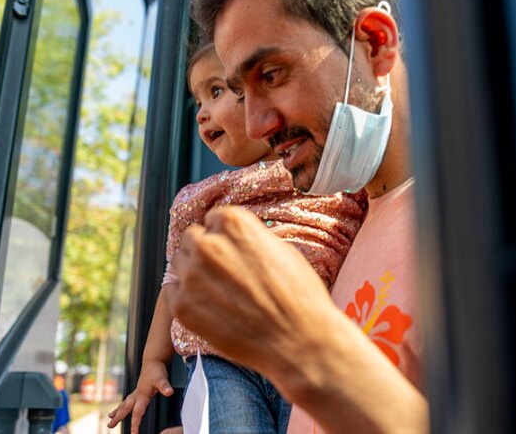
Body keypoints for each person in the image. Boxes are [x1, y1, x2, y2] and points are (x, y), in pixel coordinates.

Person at [166, 0, 429, 433]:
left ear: (374, 44)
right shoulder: (349, 229)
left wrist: (304, 348)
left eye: (272, 74)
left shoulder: (483, 222)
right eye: (241, 93)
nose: (257, 124)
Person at [106, 44, 367, 433]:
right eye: (197, 100)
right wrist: (152, 361)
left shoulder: (325, 173)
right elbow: (174, 280)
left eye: (215, 91)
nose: (201, 113)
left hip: (309, 347)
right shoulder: (202, 197)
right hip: (221, 355)